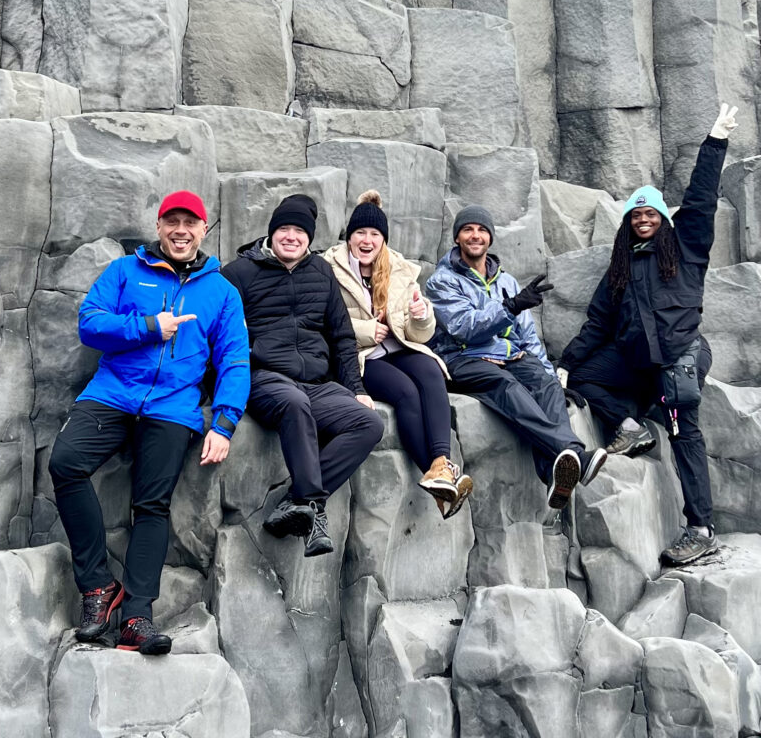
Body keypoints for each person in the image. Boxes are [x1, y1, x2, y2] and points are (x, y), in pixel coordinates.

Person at [48, 191, 250, 655]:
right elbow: (89, 322)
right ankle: (98, 587)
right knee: (65, 463)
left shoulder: (221, 291)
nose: (181, 231)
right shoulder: (124, 271)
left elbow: (235, 360)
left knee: (151, 505)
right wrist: (147, 327)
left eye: (190, 223)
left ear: (204, 230)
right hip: (112, 394)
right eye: (171, 222)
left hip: (171, 408)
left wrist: (222, 423)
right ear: (158, 227)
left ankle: (137, 616)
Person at [557, 104, 739, 566]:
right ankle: (630, 427)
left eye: (650, 212)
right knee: (582, 377)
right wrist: (563, 363)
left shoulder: (686, 247)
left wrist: (714, 142)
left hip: (678, 357)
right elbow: (598, 322)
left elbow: (699, 201)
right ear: (628, 222)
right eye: (635, 213)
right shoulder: (620, 268)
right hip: (635, 360)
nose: (642, 218)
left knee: (684, 433)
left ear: (662, 217)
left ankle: (700, 527)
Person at [221, 194, 383, 558]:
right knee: (294, 404)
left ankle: (295, 501)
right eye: (284, 229)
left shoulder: (321, 272)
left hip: (316, 381)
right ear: (272, 233)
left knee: (368, 424)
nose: (291, 236)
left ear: (309, 237)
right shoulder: (237, 273)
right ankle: (313, 505)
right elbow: (218, 336)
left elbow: (342, 335)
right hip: (264, 378)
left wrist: (355, 388)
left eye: (299, 231)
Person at [426, 206, 608, 510]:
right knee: (508, 387)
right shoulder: (442, 281)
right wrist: (509, 307)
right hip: (462, 359)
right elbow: (463, 328)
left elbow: (528, 338)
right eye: (468, 229)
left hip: (508, 357)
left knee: (547, 385)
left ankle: (555, 474)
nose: (476, 235)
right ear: (457, 237)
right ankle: (574, 451)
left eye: (482, 230)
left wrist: (550, 376)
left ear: (490, 238)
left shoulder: (506, 282)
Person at [324, 191, 473, 519]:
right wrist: (365, 330)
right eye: (360, 233)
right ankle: (436, 477)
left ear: (383, 240)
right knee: (405, 392)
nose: (367, 240)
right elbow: (322, 321)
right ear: (349, 237)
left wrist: (421, 315)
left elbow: (420, 334)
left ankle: (439, 467)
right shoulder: (328, 269)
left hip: (397, 347)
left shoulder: (399, 269)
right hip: (359, 356)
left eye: (375, 234)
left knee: (431, 371)